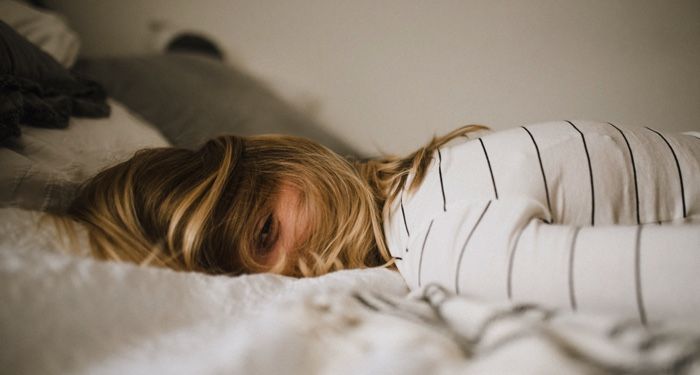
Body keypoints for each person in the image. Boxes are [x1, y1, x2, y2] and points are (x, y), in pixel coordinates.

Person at [64, 121, 699, 319]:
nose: (290, 275)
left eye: (265, 234)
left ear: (286, 159)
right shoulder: (431, 179)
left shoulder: (444, 242)